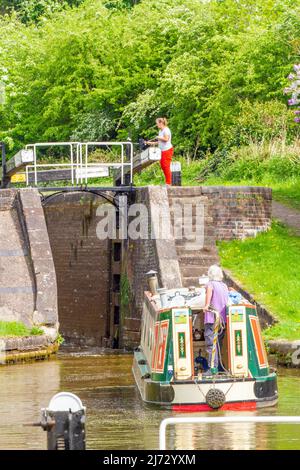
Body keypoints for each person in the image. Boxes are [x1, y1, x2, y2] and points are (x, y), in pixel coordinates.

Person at [202, 265, 229, 375]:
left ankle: (212, 368)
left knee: (210, 343)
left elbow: (208, 301)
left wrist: (206, 306)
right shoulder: (224, 286)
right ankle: (219, 367)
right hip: (222, 319)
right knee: (218, 343)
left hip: (212, 318)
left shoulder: (210, 284)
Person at [146, 117, 174, 185]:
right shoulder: (160, 131)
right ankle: (167, 182)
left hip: (167, 150)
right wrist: (150, 143)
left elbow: (166, 139)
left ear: (161, 123)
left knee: (166, 166)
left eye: (157, 123)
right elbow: (160, 142)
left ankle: (168, 183)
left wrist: (158, 137)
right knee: (162, 166)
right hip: (162, 151)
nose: (156, 125)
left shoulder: (166, 130)